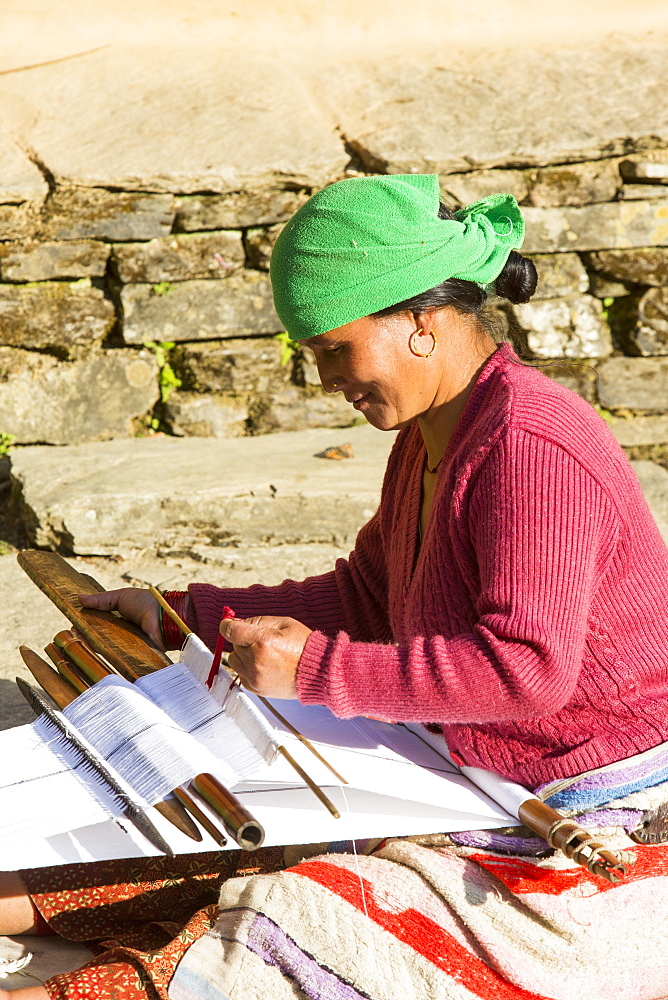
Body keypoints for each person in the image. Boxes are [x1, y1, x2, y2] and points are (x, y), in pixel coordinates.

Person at [3, 174, 668, 1000]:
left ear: (421, 323)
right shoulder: (432, 437)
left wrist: (317, 672)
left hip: (593, 802)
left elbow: (526, 670)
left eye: (333, 349)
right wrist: (191, 617)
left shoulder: (532, 448)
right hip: (466, 767)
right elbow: (367, 595)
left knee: (304, 914)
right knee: (191, 823)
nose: (325, 380)